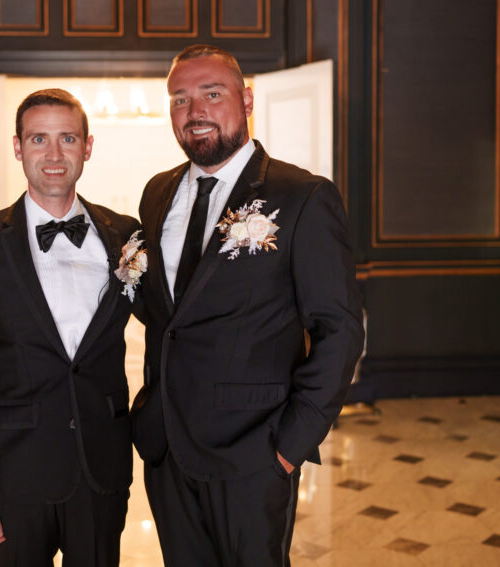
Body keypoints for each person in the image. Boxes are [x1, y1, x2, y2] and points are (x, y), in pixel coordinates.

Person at [130, 44, 364, 566]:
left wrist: (288, 447)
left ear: (246, 99)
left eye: (212, 94)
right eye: (180, 99)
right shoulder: (157, 193)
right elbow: (169, 315)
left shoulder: (302, 196)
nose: (195, 112)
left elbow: (340, 330)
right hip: (167, 447)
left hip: (253, 451)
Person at [0, 88, 140, 567]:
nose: (53, 155)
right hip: (15, 471)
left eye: (67, 138)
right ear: (17, 147)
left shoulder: (128, 236)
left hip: (102, 466)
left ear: (87, 147)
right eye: (38, 140)